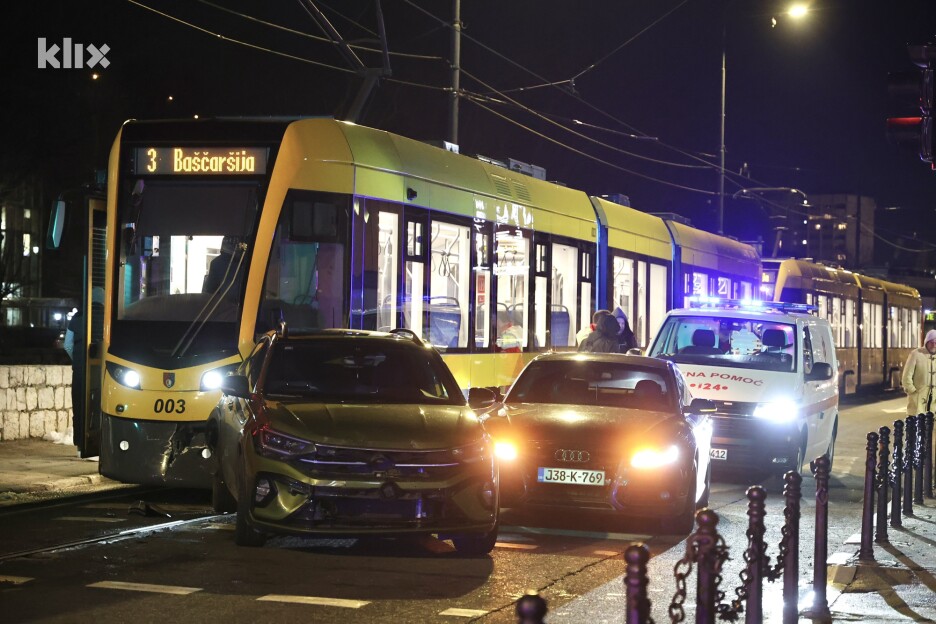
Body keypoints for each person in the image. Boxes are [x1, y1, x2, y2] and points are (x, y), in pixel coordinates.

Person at [65, 286, 105, 454]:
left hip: (81, 371)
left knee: (80, 405)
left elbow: (67, 345)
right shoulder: (107, 317)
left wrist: (79, 362)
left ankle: (81, 445)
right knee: (99, 406)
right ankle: (99, 443)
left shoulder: (78, 317)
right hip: (103, 371)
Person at [902, 329, 936, 416]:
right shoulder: (916, 354)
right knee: (916, 426)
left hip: (934, 401)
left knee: (931, 426)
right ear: (926, 342)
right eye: (931, 342)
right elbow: (906, 377)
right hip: (918, 399)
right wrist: (912, 392)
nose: (934, 345)